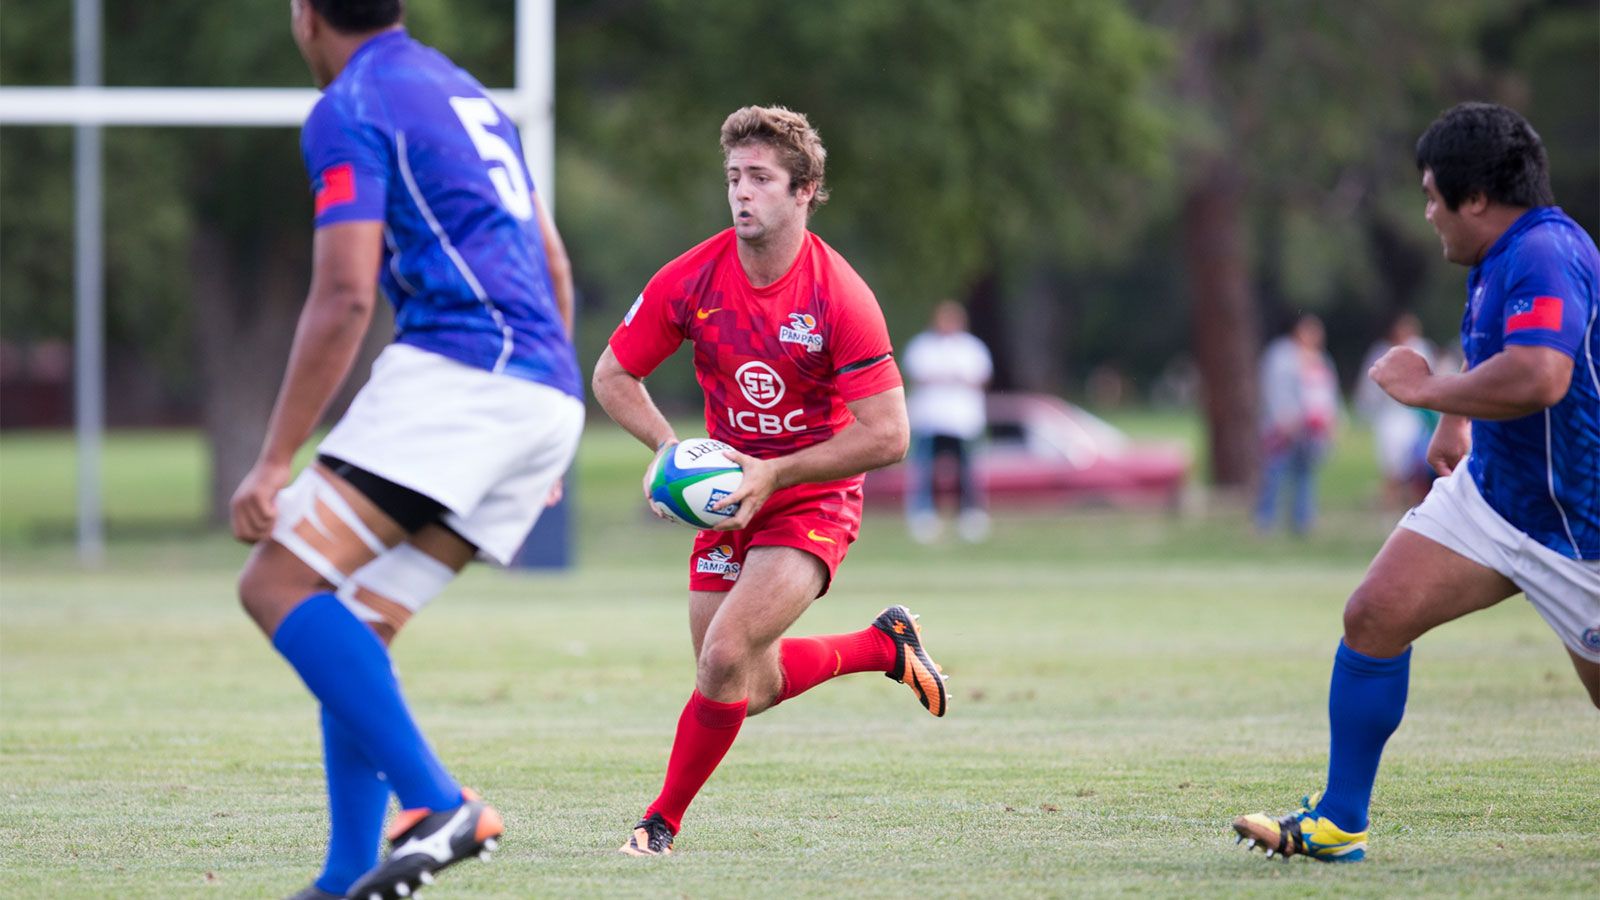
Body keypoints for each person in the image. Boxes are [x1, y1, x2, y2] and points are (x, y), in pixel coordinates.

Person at [230, 2, 585, 897]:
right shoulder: (464, 91)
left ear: (305, 14)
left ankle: (436, 803)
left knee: (275, 583)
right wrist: (543, 423)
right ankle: (348, 872)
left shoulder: (352, 104)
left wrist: (275, 461)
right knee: (355, 622)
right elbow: (552, 260)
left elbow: (346, 295)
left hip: (463, 373)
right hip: (540, 389)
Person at [1233, 102, 1599, 862]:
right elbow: (1503, 356)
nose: (1427, 211)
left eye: (1434, 195)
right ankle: (1338, 821)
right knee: (1374, 614)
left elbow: (1541, 375)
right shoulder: (1498, 255)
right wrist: (1457, 420)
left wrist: (1425, 391)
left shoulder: (1547, 253)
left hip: (1581, 528)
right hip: (1496, 496)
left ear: (1477, 199)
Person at [592, 105, 948, 857]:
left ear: (805, 191)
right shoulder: (692, 277)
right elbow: (614, 373)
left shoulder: (839, 297)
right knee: (739, 687)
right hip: (726, 501)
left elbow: (889, 436)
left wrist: (775, 472)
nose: (741, 194)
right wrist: (670, 453)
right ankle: (884, 648)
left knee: (723, 658)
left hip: (809, 495)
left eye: (760, 178)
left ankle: (659, 823)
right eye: (733, 178)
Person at [902, 300, 994, 543]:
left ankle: (971, 514)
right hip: (930, 419)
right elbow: (918, 377)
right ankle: (923, 514)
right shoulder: (923, 347)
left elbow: (980, 379)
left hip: (962, 421)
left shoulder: (972, 348)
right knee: (924, 471)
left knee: (967, 471)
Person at [1254, 314, 1340, 535]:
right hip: (1283, 427)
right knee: (1275, 471)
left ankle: (1302, 520)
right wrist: (1284, 418)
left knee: (1304, 475)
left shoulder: (1321, 359)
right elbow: (1274, 389)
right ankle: (1265, 520)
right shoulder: (1281, 355)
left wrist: (1331, 419)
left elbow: (1328, 394)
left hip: (1309, 430)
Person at [1356, 313, 1437, 507]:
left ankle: (1407, 495)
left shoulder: (1421, 349)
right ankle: (1392, 496)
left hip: (1414, 413)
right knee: (1392, 460)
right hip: (1390, 412)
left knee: (1412, 459)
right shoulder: (1382, 351)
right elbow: (1370, 386)